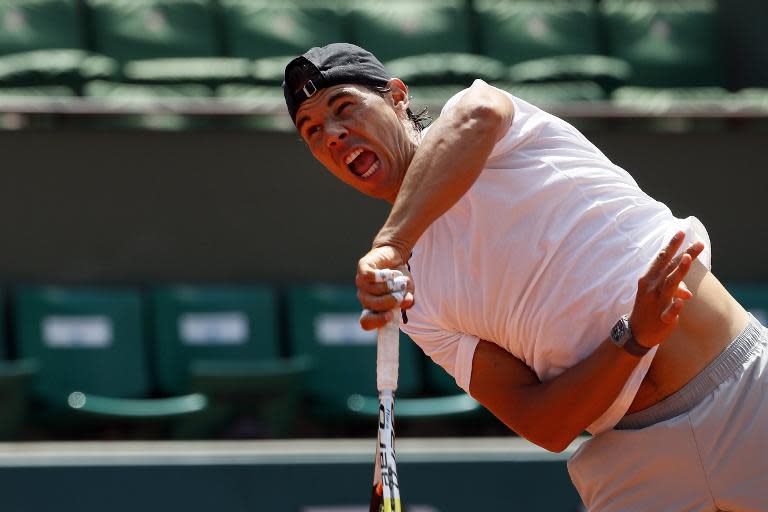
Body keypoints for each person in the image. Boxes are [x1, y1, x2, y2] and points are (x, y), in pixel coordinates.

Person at [283, 43, 766, 511]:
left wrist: (391, 243)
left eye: (344, 107)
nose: (332, 134)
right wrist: (632, 339)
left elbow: (478, 115)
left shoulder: (485, 119)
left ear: (397, 95)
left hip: (746, 395)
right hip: (634, 464)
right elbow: (546, 426)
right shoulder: (412, 296)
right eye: (312, 131)